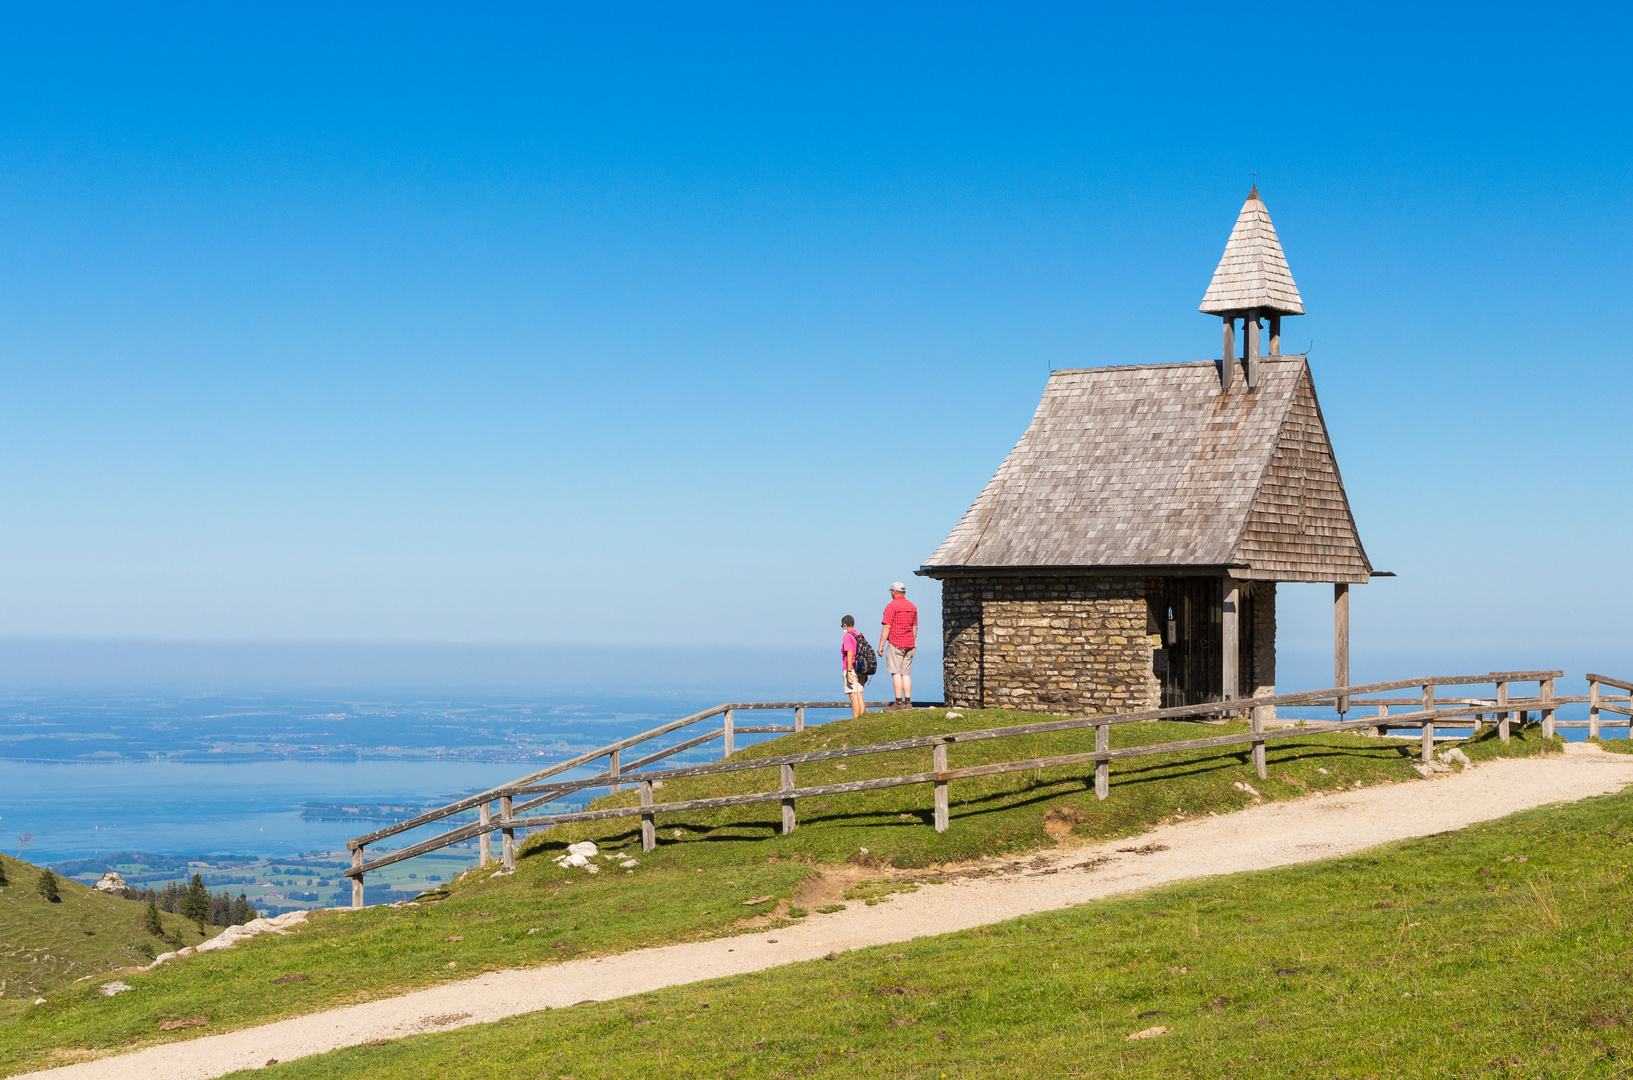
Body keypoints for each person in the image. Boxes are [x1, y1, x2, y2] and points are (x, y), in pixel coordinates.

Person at [878, 581, 918, 710]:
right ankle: (908, 702)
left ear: (893, 592)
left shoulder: (891, 606)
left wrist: (881, 645)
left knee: (896, 673)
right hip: (910, 644)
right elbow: (915, 627)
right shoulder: (913, 607)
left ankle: (898, 703)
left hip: (896, 643)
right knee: (906, 674)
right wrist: (911, 640)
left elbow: (887, 626)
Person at [840, 615, 866, 717]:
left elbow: (850, 653)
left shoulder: (847, 636)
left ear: (845, 625)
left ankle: (855, 720)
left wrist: (849, 671)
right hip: (861, 668)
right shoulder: (860, 635)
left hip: (852, 668)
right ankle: (862, 719)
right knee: (859, 695)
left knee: (853, 696)